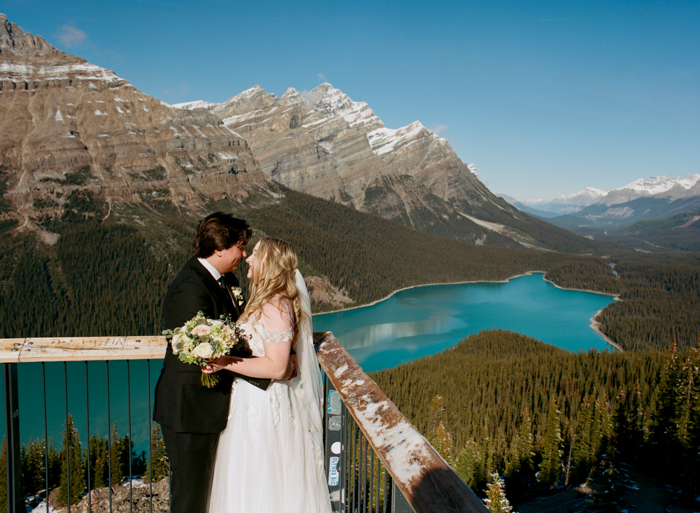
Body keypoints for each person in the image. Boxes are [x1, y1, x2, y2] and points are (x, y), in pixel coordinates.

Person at [153, 213, 291, 513]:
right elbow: (205, 351)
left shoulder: (226, 279)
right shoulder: (190, 288)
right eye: (240, 247)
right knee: (190, 498)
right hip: (190, 409)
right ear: (218, 248)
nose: (243, 254)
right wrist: (275, 366)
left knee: (216, 493)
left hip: (218, 408)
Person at [204, 238, 332, 513]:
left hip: (263, 403)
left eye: (256, 254)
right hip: (251, 399)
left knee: (260, 473)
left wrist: (224, 362)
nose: (248, 258)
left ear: (270, 262)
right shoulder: (268, 299)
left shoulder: (275, 304)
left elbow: (276, 367)